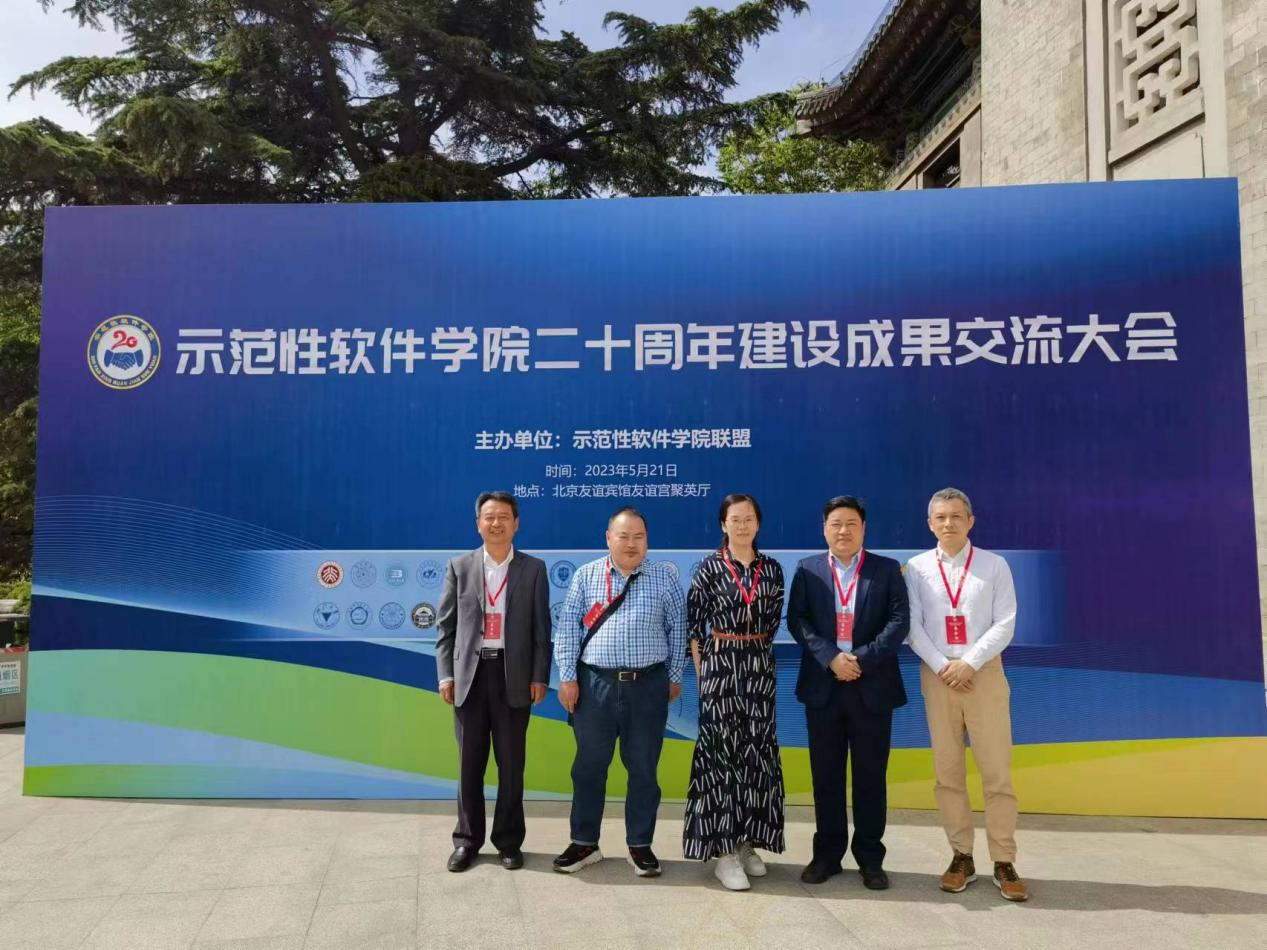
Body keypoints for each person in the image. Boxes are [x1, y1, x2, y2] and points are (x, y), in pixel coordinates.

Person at [904, 487, 1028, 902]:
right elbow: (913, 626)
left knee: (997, 773)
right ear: (930, 524)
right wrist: (944, 665)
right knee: (948, 772)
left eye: (956, 516)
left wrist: (969, 663)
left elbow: (1005, 622)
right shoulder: (917, 568)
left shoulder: (994, 565)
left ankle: (1004, 860)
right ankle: (961, 856)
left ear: (970, 521)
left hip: (983, 674)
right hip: (937, 675)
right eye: (940, 517)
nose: (948, 523)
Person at [552, 506, 687, 877]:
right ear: (608, 538)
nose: (631, 544)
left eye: (638, 537)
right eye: (623, 536)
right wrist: (568, 678)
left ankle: (640, 845)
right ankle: (584, 843)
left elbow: (679, 631)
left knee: (643, 769)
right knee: (589, 767)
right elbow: (568, 630)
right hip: (595, 685)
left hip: (648, 686)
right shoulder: (587, 576)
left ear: (647, 540)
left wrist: (674, 676)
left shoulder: (664, 578)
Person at [787, 495, 909, 889]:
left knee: (871, 777)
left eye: (851, 524)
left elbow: (898, 621)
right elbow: (798, 621)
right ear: (824, 529)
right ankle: (827, 855)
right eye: (836, 524)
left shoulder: (886, 569)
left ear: (863, 528)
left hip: (871, 687)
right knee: (826, 776)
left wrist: (859, 660)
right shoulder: (807, 569)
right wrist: (831, 658)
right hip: (823, 687)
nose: (843, 531)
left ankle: (871, 858)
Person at [435, 491, 551, 872]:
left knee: (511, 766)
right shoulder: (460, 567)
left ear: (516, 524)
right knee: (469, 766)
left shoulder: (534, 570)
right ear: (478, 524)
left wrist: (539, 676)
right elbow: (445, 628)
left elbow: (541, 631)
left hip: (512, 676)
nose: (496, 523)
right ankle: (467, 841)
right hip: (470, 678)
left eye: (503, 516)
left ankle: (509, 841)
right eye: (489, 517)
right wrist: (446, 674)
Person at [682, 493, 786, 891]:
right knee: (720, 757)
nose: (742, 525)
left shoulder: (772, 569)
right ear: (723, 524)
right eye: (735, 519)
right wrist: (704, 677)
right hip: (720, 667)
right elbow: (695, 629)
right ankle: (723, 852)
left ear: (758, 523)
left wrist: (753, 655)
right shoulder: (709, 568)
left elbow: (773, 622)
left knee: (756, 754)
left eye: (749, 518)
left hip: (759, 667)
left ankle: (747, 843)